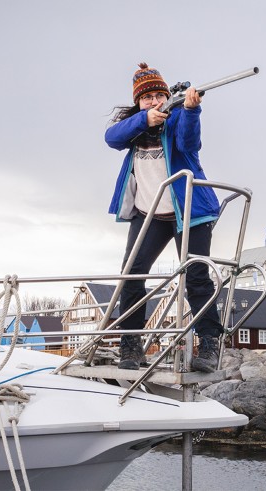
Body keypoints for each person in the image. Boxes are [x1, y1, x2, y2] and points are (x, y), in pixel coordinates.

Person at [105, 63, 223, 372]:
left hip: (190, 212)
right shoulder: (136, 126)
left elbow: (188, 143)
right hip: (149, 215)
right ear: (139, 102)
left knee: (197, 277)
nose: (156, 101)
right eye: (148, 98)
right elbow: (111, 137)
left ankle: (209, 343)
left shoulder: (178, 116)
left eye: (160, 95)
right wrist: (145, 119)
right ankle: (130, 345)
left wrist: (191, 110)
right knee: (132, 275)